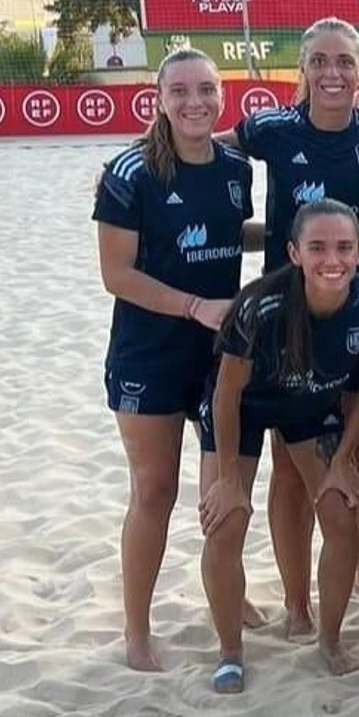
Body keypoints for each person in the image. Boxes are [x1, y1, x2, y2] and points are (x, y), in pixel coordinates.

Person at [223, 17, 359, 629]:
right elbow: (204, 147)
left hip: (355, 304)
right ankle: (298, 604)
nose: (332, 72)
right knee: (292, 465)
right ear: (302, 70)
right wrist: (136, 160)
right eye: (320, 61)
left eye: (345, 61)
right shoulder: (271, 127)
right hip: (287, 314)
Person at [94, 47, 264, 671]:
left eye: (206, 91)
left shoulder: (234, 167)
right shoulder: (130, 173)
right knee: (155, 490)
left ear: (222, 98)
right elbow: (116, 273)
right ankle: (137, 632)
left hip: (220, 351)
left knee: (228, 492)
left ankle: (228, 597)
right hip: (150, 351)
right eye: (181, 92)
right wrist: (194, 305)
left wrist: (292, 236)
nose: (195, 103)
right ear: (158, 100)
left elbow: (227, 232)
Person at [197, 200, 359, 691]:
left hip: (311, 407)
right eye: (317, 248)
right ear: (293, 252)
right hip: (243, 411)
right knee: (226, 522)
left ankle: (329, 640)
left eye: (343, 248)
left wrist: (345, 460)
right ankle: (230, 652)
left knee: (340, 516)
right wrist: (228, 478)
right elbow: (227, 393)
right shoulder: (260, 306)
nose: (331, 259)